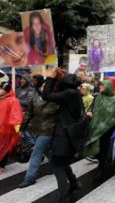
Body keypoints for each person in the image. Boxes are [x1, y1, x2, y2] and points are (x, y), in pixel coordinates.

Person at [42, 68, 82, 203]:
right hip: (70, 136)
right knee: (64, 163)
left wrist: (52, 78)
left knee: (57, 167)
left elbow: (46, 95)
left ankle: (63, 198)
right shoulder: (74, 93)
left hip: (63, 137)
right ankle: (74, 184)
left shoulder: (69, 93)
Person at [18, 81, 59, 188]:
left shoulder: (56, 101)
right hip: (35, 130)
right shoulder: (35, 98)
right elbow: (28, 114)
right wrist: (22, 129)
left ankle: (30, 178)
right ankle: (55, 165)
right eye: (42, 86)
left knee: (36, 152)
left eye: (47, 87)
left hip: (48, 132)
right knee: (45, 150)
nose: (43, 88)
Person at [0, 81, 23, 174]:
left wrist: (19, 130)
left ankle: (1, 165)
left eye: (1, 88)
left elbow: (16, 115)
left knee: (4, 148)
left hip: (6, 130)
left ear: (6, 91)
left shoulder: (13, 100)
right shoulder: (2, 99)